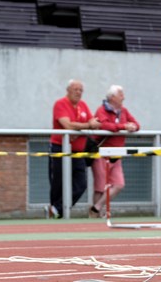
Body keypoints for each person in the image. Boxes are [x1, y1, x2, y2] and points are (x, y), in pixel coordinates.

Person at [48, 79, 101, 220]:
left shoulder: (83, 105)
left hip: (78, 151)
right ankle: (56, 211)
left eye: (81, 90)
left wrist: (84, 126)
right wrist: (86, 126)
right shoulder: (60, 104)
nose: (78, 93)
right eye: (75, 89)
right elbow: (68, 125)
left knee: (81, 183)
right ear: (68, 90)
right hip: (60, 148)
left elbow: (94, 122)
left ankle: (57, 209)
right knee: (58, 182)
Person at [89, 84, 140, 218]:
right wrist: (123, 126)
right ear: (112, 97)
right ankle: (95, 217)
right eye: (121, 94)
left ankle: (96, 207)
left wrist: (132, 127)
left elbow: (137, 124)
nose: (124, 97)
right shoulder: (102, 110)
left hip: (117, 154)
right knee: (100, 187)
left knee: (118, 184)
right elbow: (104, 125)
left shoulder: (124, 111)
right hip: (102, 153)